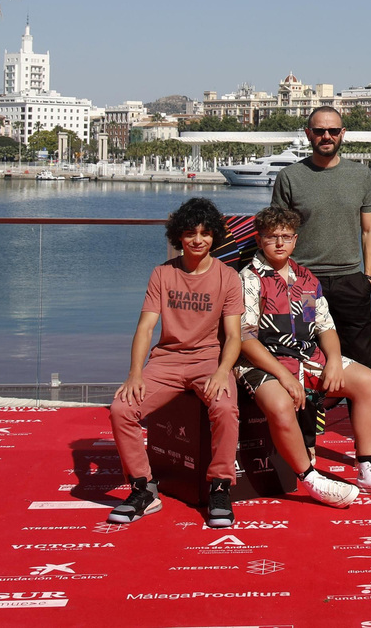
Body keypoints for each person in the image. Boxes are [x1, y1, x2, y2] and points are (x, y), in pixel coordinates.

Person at [237, 205, 371, 505]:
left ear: (295, 240)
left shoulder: (305, 279)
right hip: (262, 362)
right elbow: (245, 339)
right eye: (272, 237)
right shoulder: (249, 279)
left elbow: (324, 326)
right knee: (280, 403)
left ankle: (367, 467)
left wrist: (332, 360)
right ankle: (311, 478)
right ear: (259, 240)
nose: (280, 243)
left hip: (306, 356)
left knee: (367, 381)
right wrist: (283, 376)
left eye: (286, 236)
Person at [108, 198, 245, 529]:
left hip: (209, 359)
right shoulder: (162, 273)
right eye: (189, 233)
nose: (198, 240)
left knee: (226, 408)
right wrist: (134, 374)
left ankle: (220, 486)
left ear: (215, 236)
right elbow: (146, 327)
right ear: (178, 237)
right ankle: (143, 489)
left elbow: (234, 336)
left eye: (205, 233)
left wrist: (222, 371)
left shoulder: (228, 277)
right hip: (166, 360)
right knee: (121, 409)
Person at [271, 105, 371, 472]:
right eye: (320, 131)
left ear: (343, 134)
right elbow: (278, 232)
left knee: (362, 365)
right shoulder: (290, 177)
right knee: (304, 363)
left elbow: (369, 230)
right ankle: (306, 444)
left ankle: (368, 450)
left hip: (351, 283)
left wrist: (367, 278)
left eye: (334, 131)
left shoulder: (360, 176)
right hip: (305, 288)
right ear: (308, 134)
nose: (327, 137)